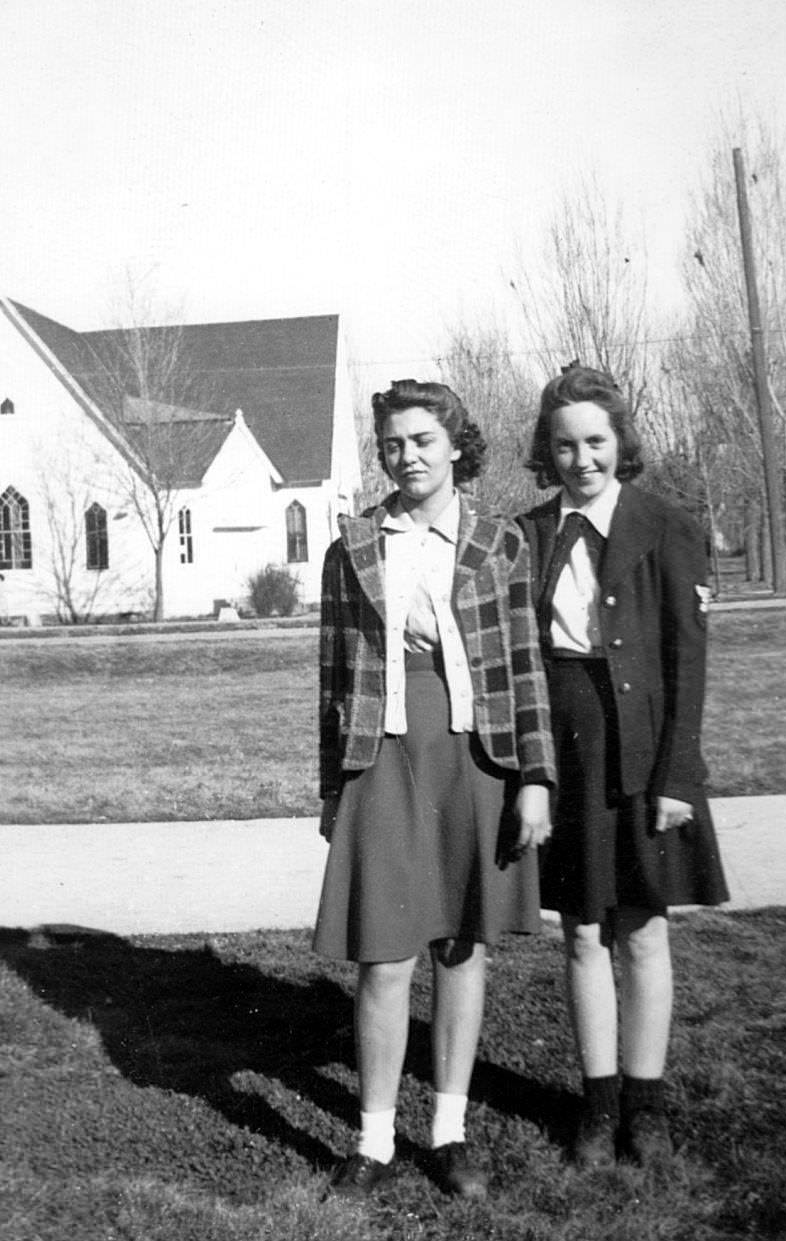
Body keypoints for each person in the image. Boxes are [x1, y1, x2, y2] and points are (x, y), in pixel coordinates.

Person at [314, 379, 556, 1199]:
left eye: (423, 440)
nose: (408, 456)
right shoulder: (352, 544)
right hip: (384, 754)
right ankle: (374, 1139)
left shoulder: (500, 542)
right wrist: (329, 787)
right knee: (383, 956)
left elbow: (526, 670)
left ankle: (448, 1131)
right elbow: (331, 677)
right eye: (393, 443)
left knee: (461, 944)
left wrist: (534, 778)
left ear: (455, 444)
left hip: (475, 757)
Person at [517, 364, 729, 1169]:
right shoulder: (529, 535)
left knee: (642, 928)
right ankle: (597, 1101)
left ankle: (646, 1100)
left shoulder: (665, 525)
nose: (582, 460)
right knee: (580, 931)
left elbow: (687, 659)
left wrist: (677, 776)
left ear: (620, 442)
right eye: (565, 445)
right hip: (565, 746)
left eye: (596, 441)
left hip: (644, 746)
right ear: (549, 450)